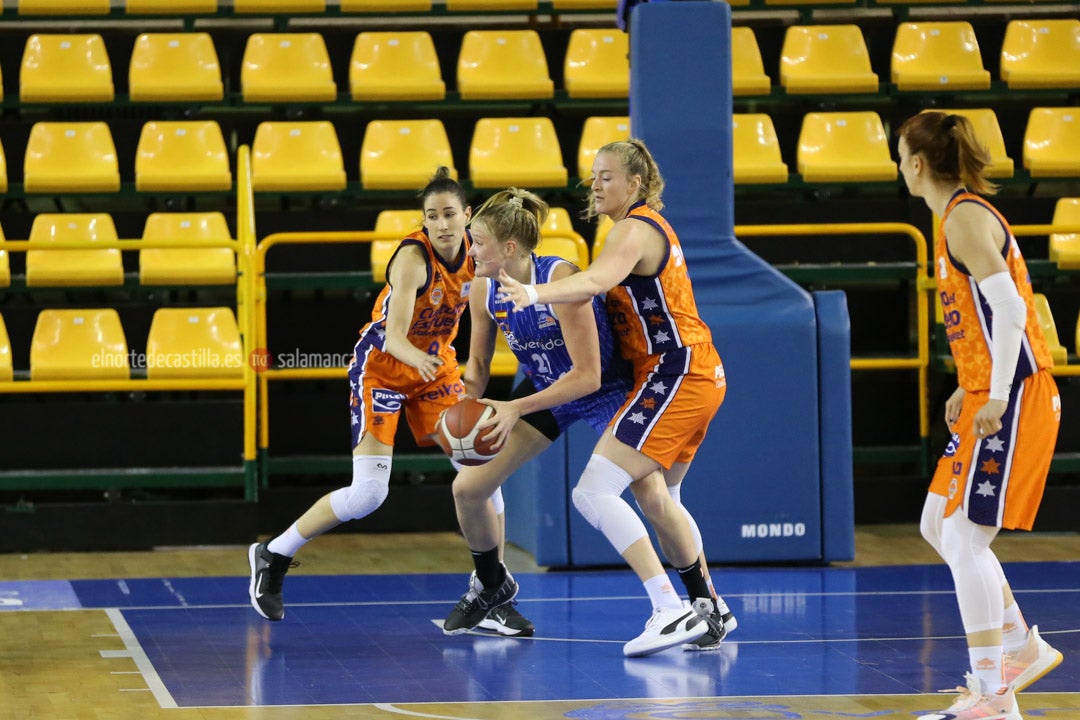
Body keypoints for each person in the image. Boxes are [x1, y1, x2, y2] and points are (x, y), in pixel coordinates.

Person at [247, 167, 531, 637]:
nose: (441, 224)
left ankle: (492, 591)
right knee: (368, 494)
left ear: (466, 214)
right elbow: (395, 336)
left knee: (483, 475)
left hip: (434, 368)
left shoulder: (477, 257)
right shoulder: (412, 260)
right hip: (383, 367)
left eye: (449, 214)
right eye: (432, 216)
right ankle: (273, 554)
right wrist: (418, 359)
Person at [496, 139, 737, 657]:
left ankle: (669, 610)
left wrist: (534, 293)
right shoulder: (631, 228)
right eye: (593, 175)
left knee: (593, 491)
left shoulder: (635, 228)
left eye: (606, 176)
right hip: (692, 371)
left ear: (635, 184)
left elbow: (597, 280)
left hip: (676, 371)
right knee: (661, 499)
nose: (596, 184)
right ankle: (710, 608)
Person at [897, 112, 1064, 720]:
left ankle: (993, 693)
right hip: (991, 390)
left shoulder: (965, 219)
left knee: (966, 537)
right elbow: (986, 322)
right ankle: (1020, 644)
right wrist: (970, 383)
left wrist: (993, 393)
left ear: (918, 163)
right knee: (936, 524)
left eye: (900, 156)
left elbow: (1013, 310)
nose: (899, 166)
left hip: (1014, 395)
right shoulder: (955, 218)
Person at [441, 188, 642, 641]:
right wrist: (461, 404)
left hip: (604, 388)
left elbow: (587, 378)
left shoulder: (559, 278)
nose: (470, 251)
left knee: (650, 493)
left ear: (510, 248)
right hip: (545, 389)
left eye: (478, 242)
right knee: (468, 488)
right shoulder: (483, 288)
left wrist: (514, 408)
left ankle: (689, 601)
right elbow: (478, 364)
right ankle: (492, 586)